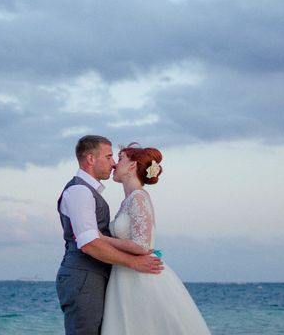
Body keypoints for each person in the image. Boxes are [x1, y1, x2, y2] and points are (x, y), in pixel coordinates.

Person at [56, 135, 164, 334]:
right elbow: (89, 244)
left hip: (98, 277)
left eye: (116, 158)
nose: (113, 163)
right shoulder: (80, 191)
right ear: (91, 159)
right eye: (108, 157)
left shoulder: (93, 192)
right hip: (84, 277)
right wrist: (134, 262)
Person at [100, 143, 211, 334]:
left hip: (139, 277)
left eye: (120, 159)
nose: (114, 165)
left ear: (132, 166)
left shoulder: (139, 198)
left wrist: (101, 239)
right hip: (124, 277)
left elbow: (142, 245)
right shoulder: (128, 200)